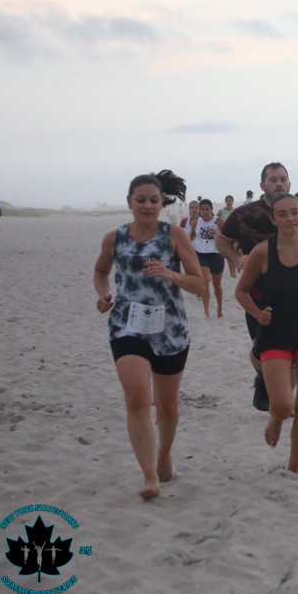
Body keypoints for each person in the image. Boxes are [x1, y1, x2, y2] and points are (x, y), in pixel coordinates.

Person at [93, 170, 204, 498]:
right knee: (138, 397)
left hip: (170, 329)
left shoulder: (174, 236)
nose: (147, 205)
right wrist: (102, 294)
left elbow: (199, 285)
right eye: (140, 200)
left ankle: (164, 455)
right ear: (129, 202)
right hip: (127, 326)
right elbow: (101, 271)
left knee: (167, 405)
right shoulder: (114, 238)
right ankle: (149, 476)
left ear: (161, 203)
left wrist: (171, 274)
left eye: (154, 200)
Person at [235, 194, 298, 473]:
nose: (290, 218)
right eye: (283, 214)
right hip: (274, 333)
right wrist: (257, 314)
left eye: (295, 212)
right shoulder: (262, 252)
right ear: (274, 219)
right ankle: (276, 418)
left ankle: (294, 467)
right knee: (282, 405)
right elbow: (241, 291)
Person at [216, 162, 298, 412]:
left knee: (294, 356)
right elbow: (222, 241)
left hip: (297, 300)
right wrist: (237, 258)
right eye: (273, 179)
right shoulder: (245, 214)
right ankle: (264, 376)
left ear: (289, 183)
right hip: (257, 298)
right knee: (261, 350)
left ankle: (283, 400)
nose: (279, 184)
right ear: (262, 185)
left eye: (283, 179)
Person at [192, 199, 226, 318]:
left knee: (217, 285)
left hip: (216, 254)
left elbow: (227, 235)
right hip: (201, 254)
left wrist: (217, 232)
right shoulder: (196, 222)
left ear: (211, 209)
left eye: (207, 209)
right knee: (205, 282)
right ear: (200, 210)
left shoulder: (218, 221)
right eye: (202, 209)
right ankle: (206, 310)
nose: (205, 211)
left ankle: (219, 307)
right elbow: (192, 235)